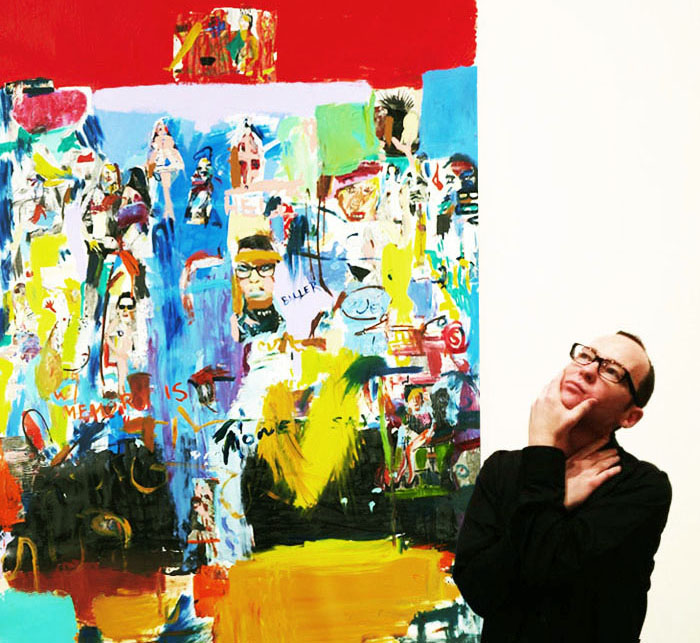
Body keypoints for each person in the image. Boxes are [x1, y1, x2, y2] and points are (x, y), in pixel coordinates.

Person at [452, 331, 671, 643]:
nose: (588, 369)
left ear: (630, 416)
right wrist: (556, 492)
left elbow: (550, 567)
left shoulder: (642, 487)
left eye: (612, 370)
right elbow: (480, 591)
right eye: (586, 355)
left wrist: (543, 446)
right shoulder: (502, 470)